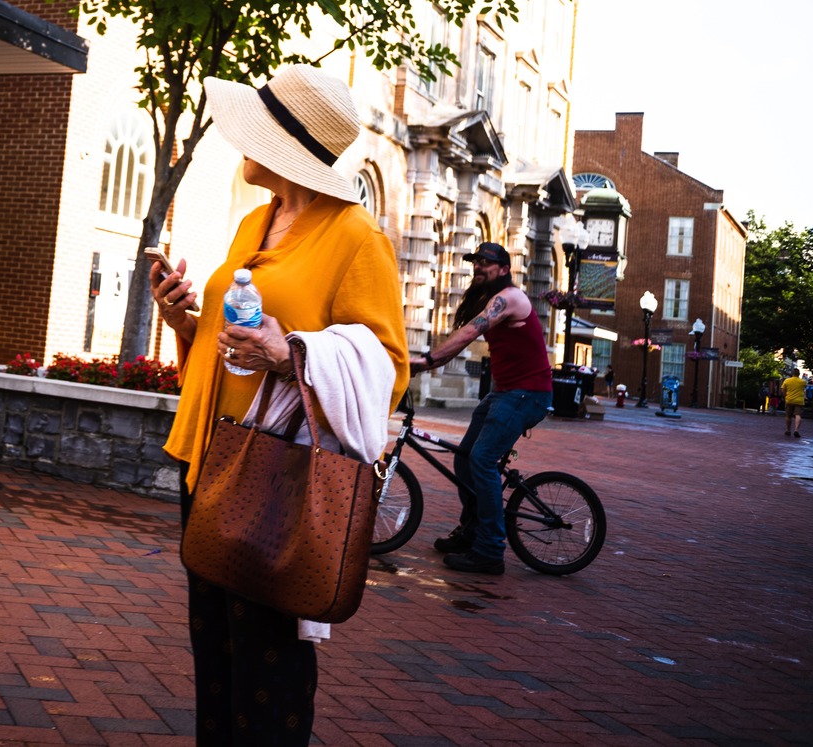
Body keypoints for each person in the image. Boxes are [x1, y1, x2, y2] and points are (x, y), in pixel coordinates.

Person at [147, 64, 409, 747]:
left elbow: (387, 368)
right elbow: (226, 339)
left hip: (279, 482)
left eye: (255, 131)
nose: (243, 141)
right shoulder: (253, 224)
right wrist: (182, 319)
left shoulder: (356, 238)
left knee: (268, 666)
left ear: (286, 148)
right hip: (210, 460)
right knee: (215, 654)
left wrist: (291, 353)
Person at [410, 241, 552, 575]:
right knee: (464, 458)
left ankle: (489, 551)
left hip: (525, 395)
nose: (479, 267)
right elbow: (466, 330)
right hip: (505, 393)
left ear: (504, 269)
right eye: (475, 262)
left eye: (486, 262)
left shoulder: (510, 298)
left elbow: (470, 333)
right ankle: (472, 531)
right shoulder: (491, 299)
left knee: (482, 460)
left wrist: (428, 361)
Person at [781, 369, 806, 438]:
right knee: (797, 415)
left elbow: (783, 391)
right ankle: (796, 430)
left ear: (792, 373)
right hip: (799, 401)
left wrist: (785, 398)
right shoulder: (803, 382)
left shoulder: (787, 381)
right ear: (799, 374)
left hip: (789, 400)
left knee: (788, 416)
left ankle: (788, 430)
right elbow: (804, 389)